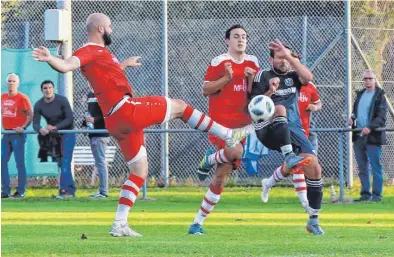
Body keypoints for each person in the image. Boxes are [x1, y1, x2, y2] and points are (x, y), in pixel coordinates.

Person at [32, 13, 253, 237]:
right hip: (126, 110)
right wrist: (51, 59)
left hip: (116, 121)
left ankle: (120, 223)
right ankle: (227, 135)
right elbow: (67, 65)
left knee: (139, 170)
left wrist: (124, 64)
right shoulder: (89, 49)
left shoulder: (101, 54)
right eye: (109, 25)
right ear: (100, 29)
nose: (112, 29)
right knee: (179, 106)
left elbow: (108, 73)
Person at [188, 25, 259, 235]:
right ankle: (210, 158)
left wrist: (251, 79)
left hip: (242, 124)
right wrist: (226, 78)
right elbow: (205, 89)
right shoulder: (219, 62)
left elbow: (251, 93)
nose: (241, 40)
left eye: (244, 36)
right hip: (220, 124)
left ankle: (197, 223)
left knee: (221, 176)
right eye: (236, 36)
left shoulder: (253, 62)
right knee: (236, 152)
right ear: (227, 40)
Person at [251, 41, 325, 235]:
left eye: (286, 57)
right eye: (279, 57)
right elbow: (254, 107)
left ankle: (313, 220)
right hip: (267, 128)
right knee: (280, 108)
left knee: (315, 168)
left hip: (294, 129)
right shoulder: (263, 76)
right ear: (271, 59)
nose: (283, 61)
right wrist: (270, 92)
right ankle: (288, 155)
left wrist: (289, 56)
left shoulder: (294, 76)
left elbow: (308, 77)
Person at [33, 80, 76, 199]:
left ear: (53, 89)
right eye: (45, 88)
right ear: (42, 90)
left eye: (50, 88)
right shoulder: (38, 104)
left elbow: (70, 118)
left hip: (67, 133)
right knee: (61, 163)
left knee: (66, 162)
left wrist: (56, 127)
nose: (48, 90)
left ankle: (64, 191)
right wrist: (41, 129)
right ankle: (71, 190)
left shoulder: (62, 100)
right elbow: (35, 124)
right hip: (54, 137)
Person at [349, 69, 387, 202]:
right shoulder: (360, 95)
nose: (367, 81)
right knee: (362, 166)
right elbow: (355, 113)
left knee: (375, 166)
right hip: (358, 135)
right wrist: (351, 120)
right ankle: (365, 194)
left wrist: (369, 128)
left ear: (375, 80)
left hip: (373, 137)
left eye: (370, 78)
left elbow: (381, 117)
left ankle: (377, 195)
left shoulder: (379, 96)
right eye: (365, 79)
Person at [1, 73, 33, 198]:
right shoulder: (2, 97)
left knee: (19, 163)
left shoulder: (22, 98)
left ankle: (20, 191)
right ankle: (5, 190)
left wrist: (23, 127)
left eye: (14, 81)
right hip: (6, 133)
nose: (11, 83)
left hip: (17, 134)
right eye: (9, 81)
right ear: (6, 83)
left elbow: (30, 115)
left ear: (18, 84)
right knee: (2, 161)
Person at [81, 87, 110, 198]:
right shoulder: (90, 95)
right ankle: (101, 191)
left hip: (101, 133)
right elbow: (89, 113)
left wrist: (96, 120)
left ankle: (104, 192)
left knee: (101, 162)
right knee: (99, 162)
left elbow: (109, 113)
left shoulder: (104, 93)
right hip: (92, 133)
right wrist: (84, 125)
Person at [298, 81, 322, 152]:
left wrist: (315, 107)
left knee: (311, 156)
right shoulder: (288, 83)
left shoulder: (310, 85)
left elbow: (318, 104)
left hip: (307, 126)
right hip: (292, 126)